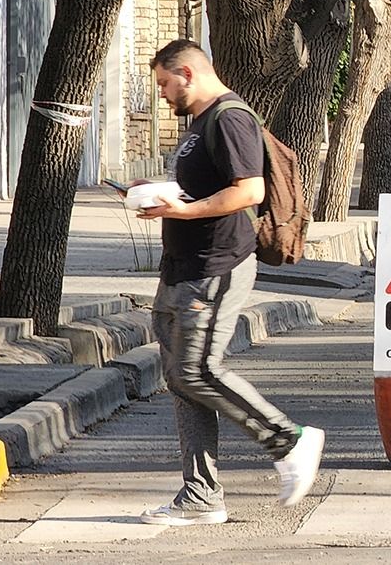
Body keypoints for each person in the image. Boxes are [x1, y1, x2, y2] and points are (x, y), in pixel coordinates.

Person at [134, 39, 324, 526]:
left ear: (188, 73)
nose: (162, 95)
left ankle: (289, 440)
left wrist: (185, 209)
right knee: (181, 380)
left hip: (217, 267)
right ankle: (200, 496)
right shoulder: (200, 123)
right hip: (182, 267)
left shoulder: (229, 117)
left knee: (198, 371)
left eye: (163, 83)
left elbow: (249, 190)